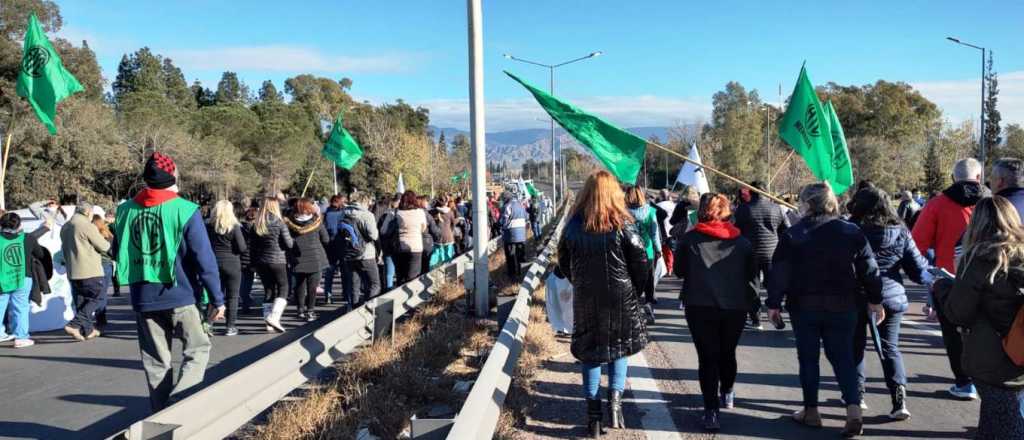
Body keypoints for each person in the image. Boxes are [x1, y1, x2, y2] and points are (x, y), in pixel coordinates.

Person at [766, 182, 884, 437]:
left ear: (807, 204)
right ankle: (853, 409)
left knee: (808, 358)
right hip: (844, 305)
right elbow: (869, 270)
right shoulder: (851, 231)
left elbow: (780, 272)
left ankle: (811, 411)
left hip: (805, 305)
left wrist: (773, 303)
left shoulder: (794, 234)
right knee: (843, 357)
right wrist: (875, 299)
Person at [112, 152, 224, 412]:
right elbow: (203, 259)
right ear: (173, 176)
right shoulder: (185, 210)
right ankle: (181, 403)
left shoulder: (125, 210)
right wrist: (216, 298)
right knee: (198, 349)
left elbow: (117, 250)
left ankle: (161, 415)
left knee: (155, 361)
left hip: (143, 297)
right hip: (181, 296)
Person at [557, 170, 649, 438]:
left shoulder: (574, 225)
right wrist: (634, 291)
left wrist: (580, 283)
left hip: (587, 298)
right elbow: (641, 261)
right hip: (621, 297)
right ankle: (616, 406)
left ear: (587, 193)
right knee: (619, 349)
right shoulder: (623, 223)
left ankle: (593, 418)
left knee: (590, 352)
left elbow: (563, 262)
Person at [940, 196, 1024, 439]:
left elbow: (958, 313)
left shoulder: (978, 260)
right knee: (998, 420)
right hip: (1018, 353)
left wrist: (942, 288)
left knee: (1003, 425)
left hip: (992, 357)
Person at [673, 192, 757, 431]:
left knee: (708, 357)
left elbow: (679, 271)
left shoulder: (689, 240)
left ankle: (711, 411)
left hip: (699, 306)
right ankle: (727, 391)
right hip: (735, 307)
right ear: (726, 211)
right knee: (727, 352)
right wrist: (755, 305)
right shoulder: (742, 242)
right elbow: (752, 277)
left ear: (703, 212)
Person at [848, 187, 931, 420]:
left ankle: (857, 396)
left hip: (857, 296)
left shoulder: (852, 231)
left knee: (855, 347)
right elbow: (917, 268)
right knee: (890, 347)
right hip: (891, 296)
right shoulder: (901, 232)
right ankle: (899, 400)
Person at [912, 157, 988, 399]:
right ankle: (988, 380)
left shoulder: (937, 204)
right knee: (987, 331)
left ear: (954, 178)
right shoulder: (994, 201)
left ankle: (965, 383)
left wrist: (924, 276)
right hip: (991, 278)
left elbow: (917, 244)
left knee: (954, 333)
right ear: (979, 177)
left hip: (950, 279)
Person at [733, 181, 789, 330]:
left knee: (752, 286)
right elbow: (786, 230)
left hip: (750, 253)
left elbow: (735, 231)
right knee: (773, 285)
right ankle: (774, 310)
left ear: (751, 192)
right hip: (773, 253)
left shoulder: (743, 209)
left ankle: (756, 318)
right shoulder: (777, 208)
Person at [61, 202, 112, 341]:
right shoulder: (86, 225)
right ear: (87, 212)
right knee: (98, 297)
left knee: (81, 301)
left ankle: (88, 330)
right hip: (90, 270)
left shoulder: (65, 226)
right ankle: (74, 324)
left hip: (73, 270)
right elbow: (104, 246)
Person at [0, 213, 49, 348]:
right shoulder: (28, 238)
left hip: (1, 278)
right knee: (20, 308)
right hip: (22, 277)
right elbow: (40, 254)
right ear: (19, 225)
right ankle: (20, 337)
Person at [251, 197, 294, 332]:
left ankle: (268, 323)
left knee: (268, 290)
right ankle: (274, 317)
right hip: (278, 260)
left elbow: (252, 246)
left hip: (261, 261)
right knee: (283, 288)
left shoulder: (257, 224)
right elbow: (289, 244)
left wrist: (253, 263)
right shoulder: (280, 223)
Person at [206, 200, 247, 335]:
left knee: (214, 294)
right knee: (233, 296)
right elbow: (242, 247)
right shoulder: (234, 227)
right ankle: (230, 326)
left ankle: (209, 324)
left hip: (213, 262)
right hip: (232, 263)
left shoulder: (209, 226)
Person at [285, 198, 329, 321]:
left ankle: (300, 310)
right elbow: (325, 239)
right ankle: (310, 311)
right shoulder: (317, 221)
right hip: (315, 256)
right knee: (312, 287)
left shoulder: (289, 222)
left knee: (299, 285)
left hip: (296, 257)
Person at [625, 186, 661, 319]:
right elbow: (654, 233)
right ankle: (648, 303)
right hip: (647, 251)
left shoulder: (623, 212)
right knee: (649, 280)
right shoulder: (651, 211)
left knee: (631, 280)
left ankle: (632, 308)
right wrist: (658, 249)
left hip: (629, 252)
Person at [339, 192, 380, 310]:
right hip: (366, 254)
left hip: (349, 253)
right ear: (364, 201)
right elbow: (374, 235)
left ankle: (352, 309)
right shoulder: (367, 215)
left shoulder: (343, 214)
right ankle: (368, 309)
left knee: (354, 285)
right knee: (374, 284)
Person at [394, 191, 427, 284]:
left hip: (400, 246)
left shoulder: (397, 213)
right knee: (414, 277)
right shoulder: (420, 212)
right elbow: (423, 228)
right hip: (416, 246)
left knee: (401, 275)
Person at [91, 214, 115, 328]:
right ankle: (101, 317)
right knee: (103, 293)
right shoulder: (109, 235)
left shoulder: (93, 235)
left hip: (96, 265)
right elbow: (113, 251)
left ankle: (99, 317)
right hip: (107, 265)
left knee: (96, 293)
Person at [321, 195, 346, 304]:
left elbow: (324, 229)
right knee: (345, 272)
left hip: (330, 245)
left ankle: (328, 295)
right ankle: (345, 294)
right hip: (342, 245)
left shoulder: (326, 213)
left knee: (329, 272)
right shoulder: (344, 213)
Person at [500, 192, 529, 280]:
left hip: (510, 236)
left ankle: (512, 276)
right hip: (522, 235)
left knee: (511, 257)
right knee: (521, 256)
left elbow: (504, 221)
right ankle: (523, 275)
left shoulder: (507, 206)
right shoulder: (521, 205)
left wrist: (502, 227)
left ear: (506, 199)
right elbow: (526, 217)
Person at [238, 203, 257, 314]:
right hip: (252, 259)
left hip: (240, 257)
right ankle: (246, 301)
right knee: (248, 283)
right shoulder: (257, 229)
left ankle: (245, 300)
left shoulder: (240, 228)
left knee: (242, 282)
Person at [430, 196, 457, 268]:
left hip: (438, 236)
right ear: (446, 202)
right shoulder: (450, 212)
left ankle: (434, 271)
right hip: (448, 235)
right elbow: (453, 224)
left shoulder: (434, 212)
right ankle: (449, 272)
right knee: (448, 255)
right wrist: (450, 230)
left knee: (436, 254)